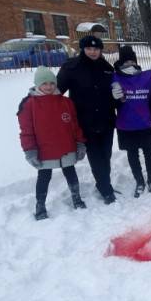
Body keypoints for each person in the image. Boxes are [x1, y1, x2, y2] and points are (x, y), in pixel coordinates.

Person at [18, 67, 87, 220]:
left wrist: (80, 143)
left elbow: (74, 124)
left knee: (70, 172)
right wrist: (30, 150)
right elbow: (26, 130)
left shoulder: (66, 102)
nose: (49, 87)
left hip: (66, 146)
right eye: (44, 84)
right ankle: (40, 204)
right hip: (44, 149)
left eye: (51, 83)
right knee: (44, 176)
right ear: (37, 85)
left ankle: (76, 197)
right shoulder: (29, 104)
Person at [57, 35, 118, 204]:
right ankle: (105, 189)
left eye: (96, 49)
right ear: (83, 49)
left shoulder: (107, 67)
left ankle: (103, 183)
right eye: (89, 49)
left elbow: (112, 94)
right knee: (95, 155)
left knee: (106, 154)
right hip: (85, 121)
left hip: (106, 119)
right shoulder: (71, 67)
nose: (93, 52)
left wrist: (117, 97)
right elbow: (56, 93)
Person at [112, 46, 151, 197]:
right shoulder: (115, 79)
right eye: (125, 61)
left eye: (131, 60)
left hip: (145, 122)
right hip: (126, 124)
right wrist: (114, 98)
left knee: (149, 151)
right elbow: (113, 105)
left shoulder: (145, 77)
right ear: (120, 62)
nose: (129, 64)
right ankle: (139, 180)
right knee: (132, 154)